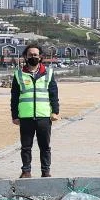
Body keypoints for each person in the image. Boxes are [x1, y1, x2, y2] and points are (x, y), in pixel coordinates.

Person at [10, 44, 59, 178]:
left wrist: (55, 112)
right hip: (26, 117)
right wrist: (14, 115)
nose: (33, 57)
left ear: (40, 57)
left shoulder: (48, 73)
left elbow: (53, 94)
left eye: (36, 55)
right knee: (26, 147)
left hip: (44, 117)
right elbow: (14, 97)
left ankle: (46, 171)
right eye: (30, 55)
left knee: (45, 147)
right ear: (25, 56)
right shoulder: (19, 74)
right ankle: (26, 171)